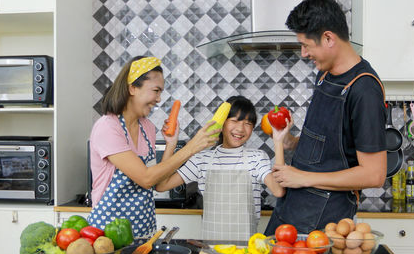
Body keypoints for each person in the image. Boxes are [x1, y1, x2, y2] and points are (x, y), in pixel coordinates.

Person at [264, 0, 387, 235]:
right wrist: (291, 142)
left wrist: (304, 178)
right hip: (292, 206)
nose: (303, 53)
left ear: (329, 38)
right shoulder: (324, 74)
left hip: (324, 218)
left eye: (306, 45)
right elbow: (328, 146)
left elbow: (374, 174)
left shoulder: (364, 90)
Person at [87, 56, 219, 237]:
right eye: (156, 91)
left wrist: (170, 145)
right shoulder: (108, 127)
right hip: (107, 234)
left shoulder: (147, 128)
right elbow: (145, 178)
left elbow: (158, 183)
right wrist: (191, 148)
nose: (158, 99)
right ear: (132, 87)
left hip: (144, 231)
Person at [156, 95, 286, 240]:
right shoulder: (201, 159)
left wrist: (278, 141)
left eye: (248, 123)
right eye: (235, 121)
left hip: (246, 253)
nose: (241, 129)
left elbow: (278, 190)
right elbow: (161, 185)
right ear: (222, 123)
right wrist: (171, 144)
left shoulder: (256, 158)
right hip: (211, 250)